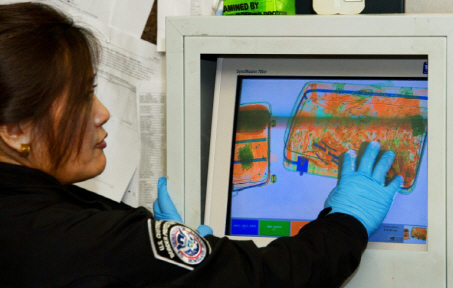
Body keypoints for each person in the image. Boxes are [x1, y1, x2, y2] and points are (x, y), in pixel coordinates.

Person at [0, 2, 403, 287]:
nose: (102, 112)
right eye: (83, 97)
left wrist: (176, 257)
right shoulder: (90, 243)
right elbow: (268, 278)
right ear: (16, 129)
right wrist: (347, 220)